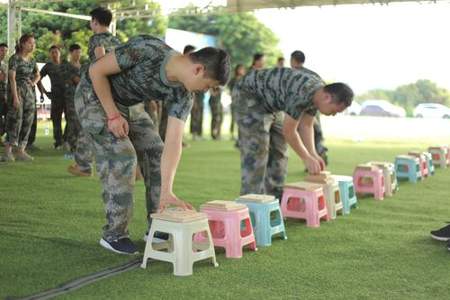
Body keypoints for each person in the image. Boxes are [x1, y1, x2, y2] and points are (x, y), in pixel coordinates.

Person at [75, 34, 230, 254]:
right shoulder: (148, 50)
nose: (204, 91)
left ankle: (157, 227)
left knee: (155, 152)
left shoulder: (184, 94)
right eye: (207, 86)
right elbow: (96, 70)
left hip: (129, 105)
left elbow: (173, 141)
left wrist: (167, 191)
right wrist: (113, 116)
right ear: (198, 70)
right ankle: (114, 234)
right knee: (124, 155)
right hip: (94, 95)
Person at [235, 67, 353, 201]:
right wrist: (306, 158)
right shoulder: (302, 93)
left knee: (280, 151)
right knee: (257, 151)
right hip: (249, 95)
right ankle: (251, 203)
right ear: (327, 97)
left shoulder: (318, 94)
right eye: (335, 111)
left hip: (272, 102)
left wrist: (313, 154)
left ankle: (275, 200)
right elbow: (289, 131)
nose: (333, 115)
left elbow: (306, 125)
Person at [68, 6, 121, 177]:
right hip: (114, 90)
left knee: (89, 124)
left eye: (91, 21)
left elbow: (101, 59)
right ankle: (117, 163)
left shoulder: (96, 39)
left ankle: (83, 165)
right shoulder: (117, 41)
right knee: (108, 126)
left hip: (95, 90)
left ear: (95, 22)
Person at [2, 34, 40, 162]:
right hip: (17, 91)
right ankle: (8, 152)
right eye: (30, 43)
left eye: (33, 43)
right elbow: (11, 78)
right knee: (14, 120)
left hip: (29, 93)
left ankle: (21, 151)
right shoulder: (15, 58)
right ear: (23, 44)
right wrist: (15, 97)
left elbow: (38, 75)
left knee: (27, 120)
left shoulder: (32, 60)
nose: (33, 45)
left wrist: (33, 82)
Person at [290, 50, 328, 165]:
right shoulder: (314, 74)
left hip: (300, 114)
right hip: (313, 113)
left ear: (292, 60)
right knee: (315, 135)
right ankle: (317, 155)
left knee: (303, 134)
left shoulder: (294, 74)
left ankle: (313, 158)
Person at [37, 45, 66, 149]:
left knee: (72, 119)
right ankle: (58, 141)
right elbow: (38, 78)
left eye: (56, 52)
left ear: (60, 53)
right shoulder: (48, 66)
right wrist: (43, 92)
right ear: (50, 54)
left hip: (68, 95)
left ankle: (66, 139)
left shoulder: (65, 64)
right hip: (55, 96)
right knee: (56, 119)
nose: (54, 54)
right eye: (52, 52)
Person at [60, 44, 82, 154]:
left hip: (81, 98)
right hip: (71, 98)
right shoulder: (67, 66)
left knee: (78, 121)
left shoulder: (82, 66)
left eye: (79, 52)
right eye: (76, 52)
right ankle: (72, 144)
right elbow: (77, 80)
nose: (78, 55)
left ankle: (72, 142)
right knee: (73, 120)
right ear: (71, 53)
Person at [227, 64, 245, 141]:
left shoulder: (245, 79)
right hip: (235, 102)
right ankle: (231, 134)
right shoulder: (233, 80)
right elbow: (231, 90)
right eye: (240, 69)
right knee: (234, 118)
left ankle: (241, 136)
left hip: (243, 102)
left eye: (242, 69)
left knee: (242, 120)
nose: (241, 71)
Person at [0, 43, 8, 145]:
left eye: (5, 51)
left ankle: (2, 135)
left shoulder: (5, 65)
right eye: (2, 50)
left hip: (5, 93)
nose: (4, 53)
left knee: (8, 116)